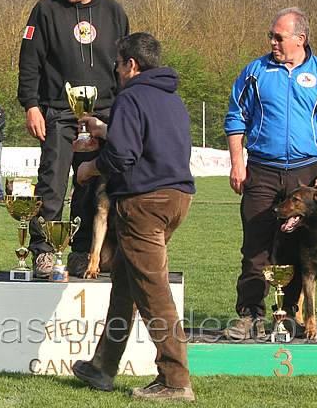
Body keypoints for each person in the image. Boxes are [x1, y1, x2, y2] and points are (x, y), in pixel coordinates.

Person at [73, 32, 196, 402]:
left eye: (117, 63)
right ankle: (102, 368)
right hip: (176, 198)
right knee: (126, 284)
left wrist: (90, 169)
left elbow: (122, 157)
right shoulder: (171, 98)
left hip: (144, 203)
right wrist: (105, 130)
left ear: (131, 64)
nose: (116, 69)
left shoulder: (130, 95)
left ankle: (175, 381)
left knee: (153, 291)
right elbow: (145, 142)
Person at [224, 7, 317, 339]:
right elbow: (236, 118)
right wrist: (238, 163)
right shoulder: (255, 71)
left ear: (300, 38)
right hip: (262, 170)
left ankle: (289, 313)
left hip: (306, 174)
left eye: (278, 37)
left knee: (299, 248)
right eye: (271, 36)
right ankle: (250, 315)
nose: (272, 42)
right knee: (256, 243)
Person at [18, 0, 129, 278]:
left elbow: (125, 66)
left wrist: (125, 110)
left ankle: (82, 252)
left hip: (106, 113)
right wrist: (31, 105)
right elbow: (29, 62)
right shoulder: (45, 10)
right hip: (58, 111)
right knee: (52, 182)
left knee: (93, 184)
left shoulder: (114, 12)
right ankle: (44, 251)